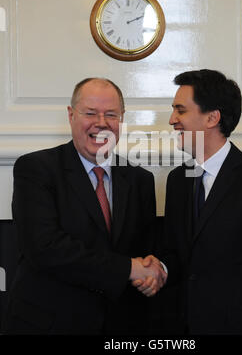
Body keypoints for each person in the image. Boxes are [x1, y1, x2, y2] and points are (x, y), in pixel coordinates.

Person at [134, 69, 242, 335]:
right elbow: (179, 256)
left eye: (181, 110)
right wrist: (160, 267)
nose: (172, 120)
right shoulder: (178, 181)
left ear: (212, 117)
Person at [2, 77, 166, 335]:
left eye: (111, 114)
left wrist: (154, 271)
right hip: (48, 325)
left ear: (121, 119)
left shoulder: (140, 181)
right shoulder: (36, 169)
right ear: (71, 115)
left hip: (118, 328)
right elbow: (44, 248)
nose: (101, 123)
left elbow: (145, 251)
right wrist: (128, 269)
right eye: (90, 113)